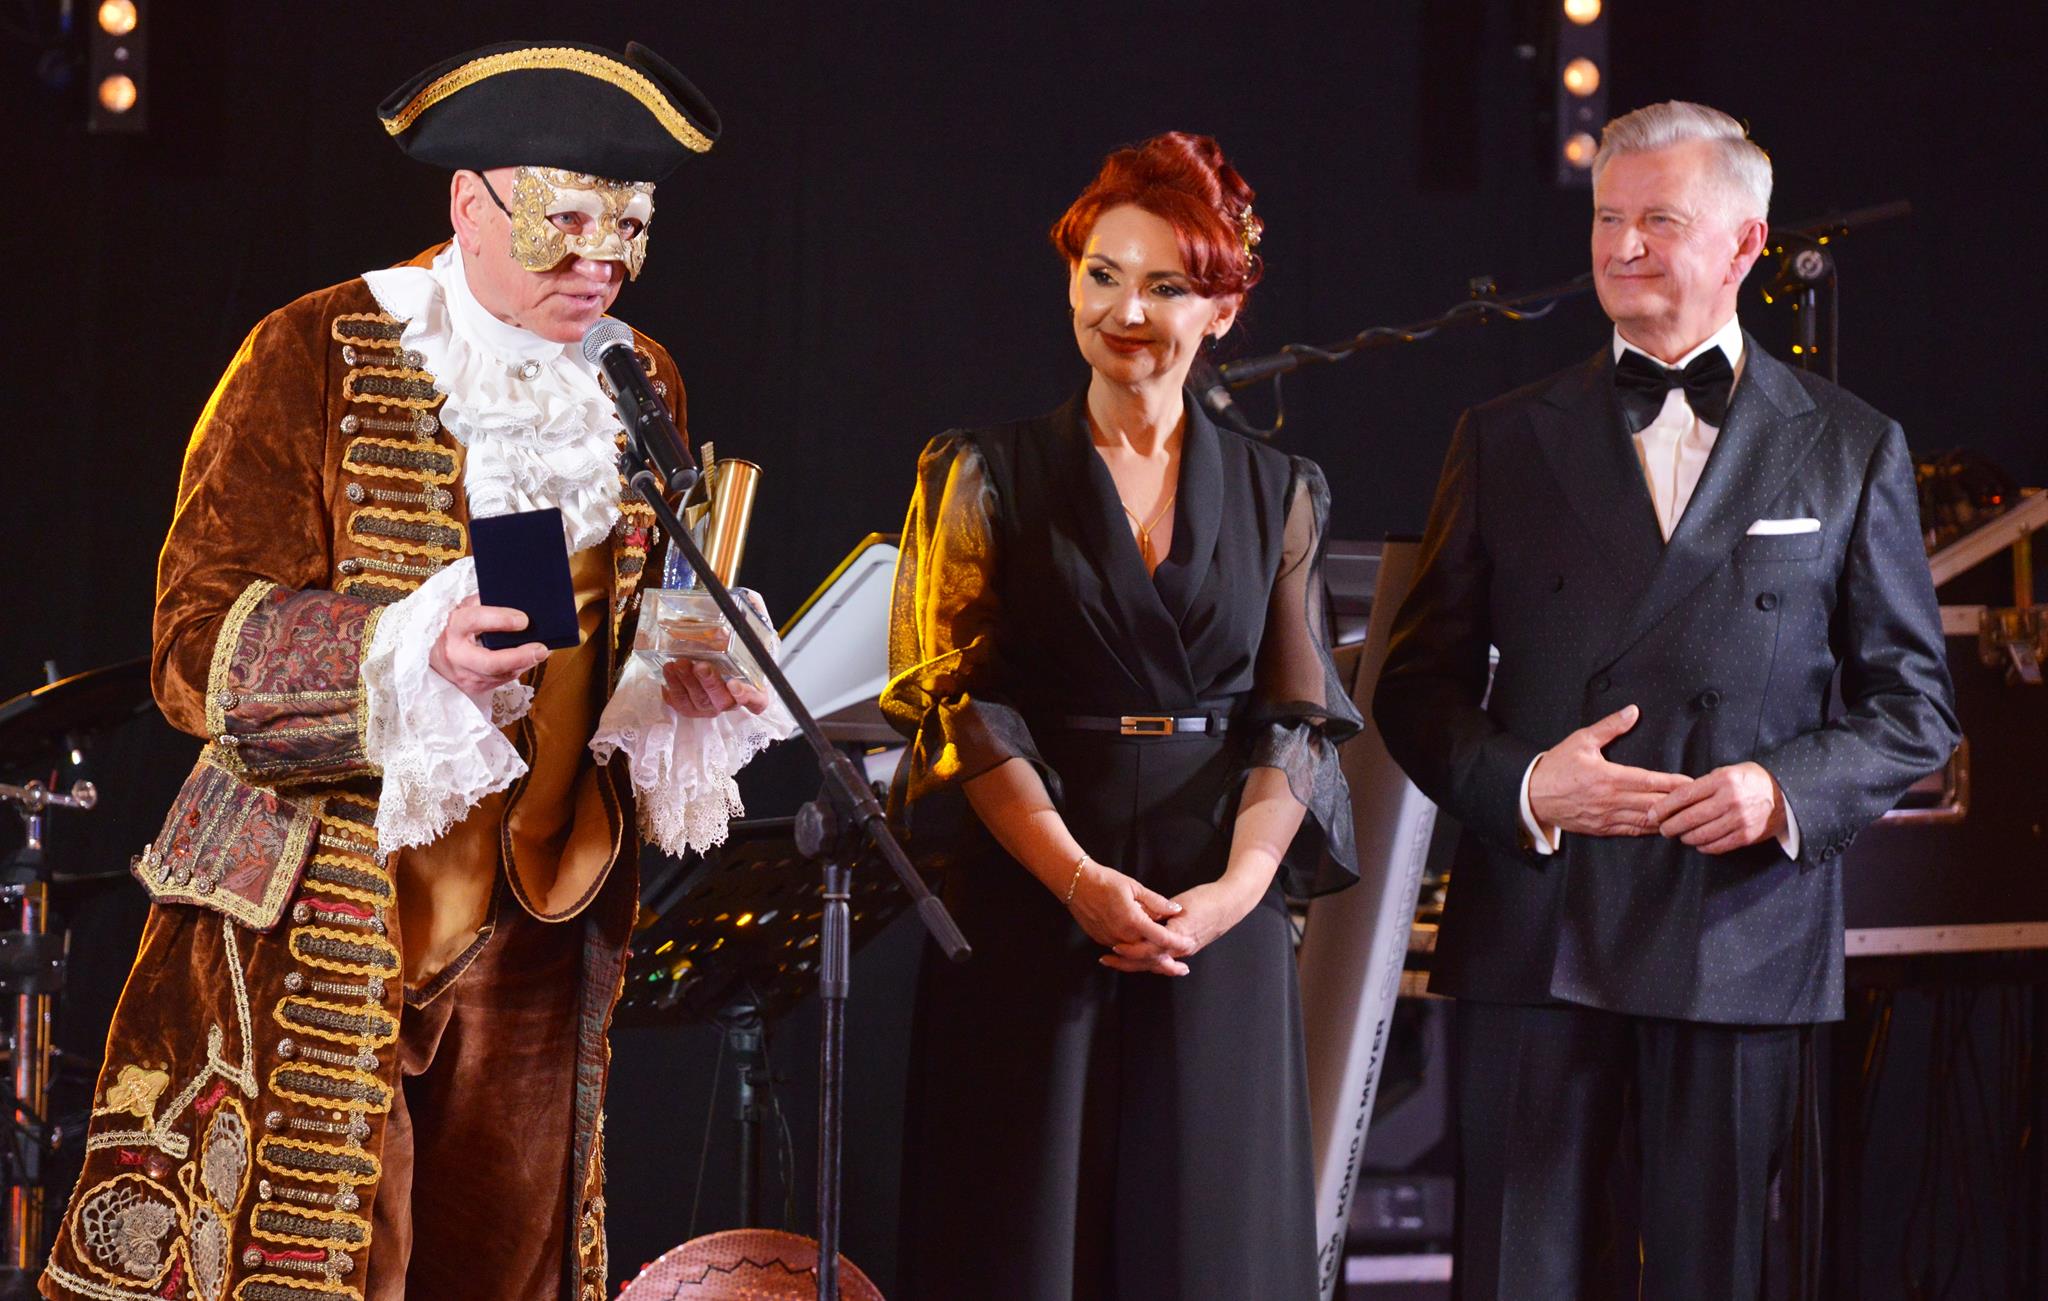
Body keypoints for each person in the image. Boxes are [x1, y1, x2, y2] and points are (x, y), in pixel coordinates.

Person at [40, 41, 793, 1301]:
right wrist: (400, 651)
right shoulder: (316, 347)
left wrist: (678, 682)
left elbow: (612, 626)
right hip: (330, 916)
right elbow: (189, 643)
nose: (598, 266)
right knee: (326, 1263)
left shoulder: (636, 374)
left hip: (540, 925)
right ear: (470, 202)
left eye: (627, 230)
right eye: (564, 224)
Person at [1373, 101, 1958, 1299]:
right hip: (1536, 927)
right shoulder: (1500, 437)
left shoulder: (1847, 445)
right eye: (1606, 218)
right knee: (1515, 1275)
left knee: (1711, 1272)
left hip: (1736, 931)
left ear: (1745, 244)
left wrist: (1775, 790)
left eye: (1657, 220)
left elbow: (1912, 706)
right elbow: (1414, 684)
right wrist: (1527, 783)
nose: (1621, 245)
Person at [883, 132, 1361, 1301]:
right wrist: (1077, 879)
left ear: (1222, 310)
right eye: (1100, 274)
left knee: (1210, 1247)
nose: (1125, 310)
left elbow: (1294, 719)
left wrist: (1235, 894)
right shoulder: (981, 470)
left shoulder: (1281, 489)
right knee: (1018, 1240)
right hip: (1032, 888)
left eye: (1165, 285)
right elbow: (962, 705)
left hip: (1215, 909)